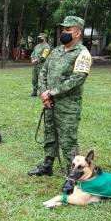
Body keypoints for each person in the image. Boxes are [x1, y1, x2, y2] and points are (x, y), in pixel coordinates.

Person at [28, 16, 92, 176]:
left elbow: (77, 79)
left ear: (77, 33)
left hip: (68, 107)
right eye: (63, 29)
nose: (63, 32)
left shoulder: (83, 53)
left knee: (68, 141)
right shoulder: (55, 51)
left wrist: (51, 92)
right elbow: (43, 72)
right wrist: (44, 95)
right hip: (49, 103)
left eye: (68, 29)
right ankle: (47, 166)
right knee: (50, 135)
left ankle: (74, 175)